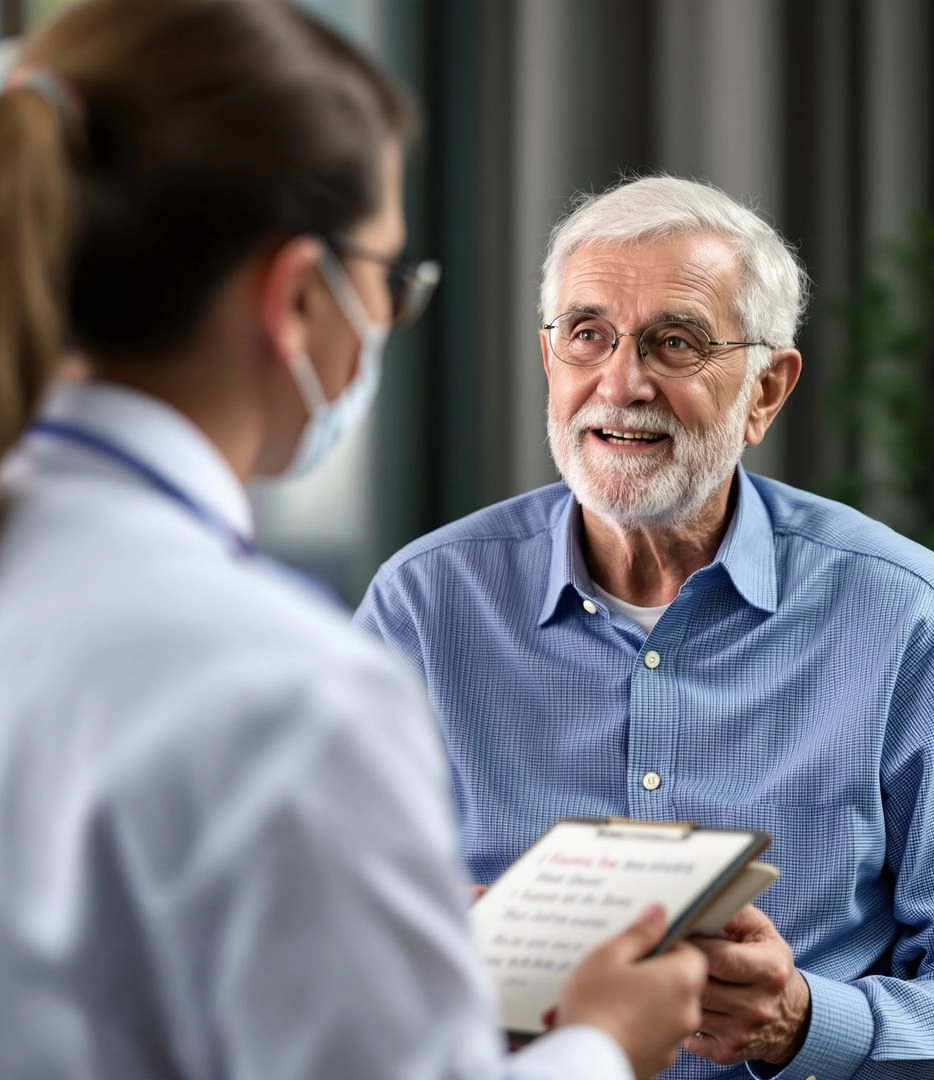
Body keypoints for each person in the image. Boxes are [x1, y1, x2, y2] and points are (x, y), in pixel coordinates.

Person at [0, 6, 710, 1079]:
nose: (622, 381)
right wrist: (606, 1044)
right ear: (296, 297)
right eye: (388, 275)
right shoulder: (291, 686)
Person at [356, 174, 934, 1079]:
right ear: (551, 361)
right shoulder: (423, 606)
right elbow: (310, 936)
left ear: (766, 390)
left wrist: (807, 1019)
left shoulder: (911, 619)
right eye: (589, 336)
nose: (622, 383)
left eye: (676, 343)